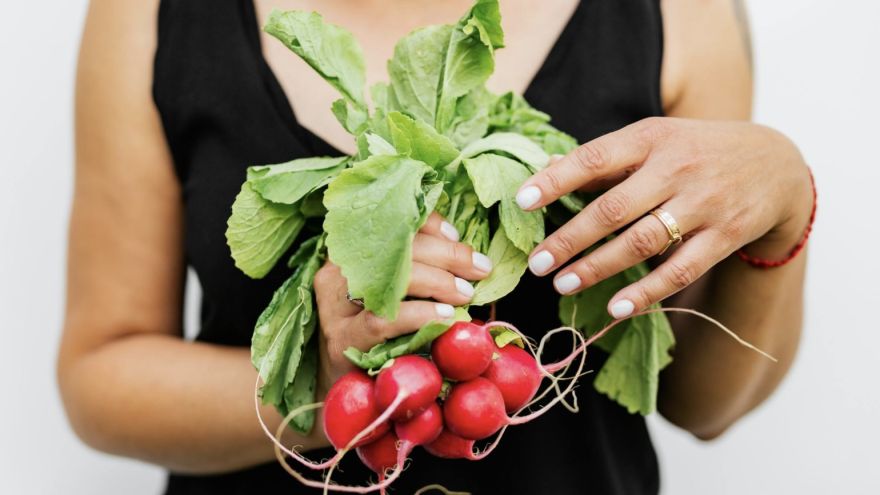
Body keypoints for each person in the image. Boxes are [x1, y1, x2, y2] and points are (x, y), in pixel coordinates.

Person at [58, 0, 812, 493]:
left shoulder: (685, 13)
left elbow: (705, 404)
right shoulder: (145, 14)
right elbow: (101, 376)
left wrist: (786, 204)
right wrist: (322, 388)